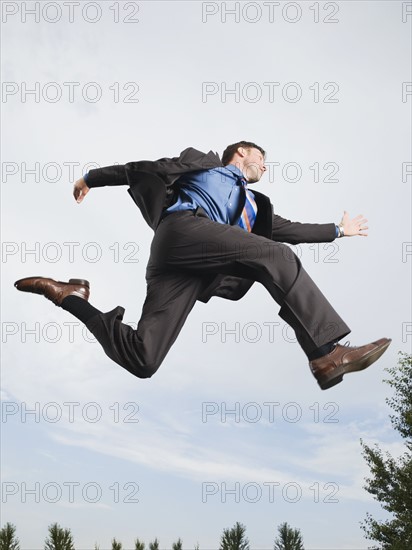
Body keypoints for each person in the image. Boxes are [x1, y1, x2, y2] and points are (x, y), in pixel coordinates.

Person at [14, 141, 391, 390]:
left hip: (190, 268)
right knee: (276, 257)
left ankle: (70, 296)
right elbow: (141, 168)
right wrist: (90, 178)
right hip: (181, 230)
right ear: (241, 152)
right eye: (262, 158)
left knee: (144, 359)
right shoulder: (204, 165)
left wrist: (340, 230)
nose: (265, 166)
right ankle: (326, 352)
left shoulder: (253, 207)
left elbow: (289, 230)